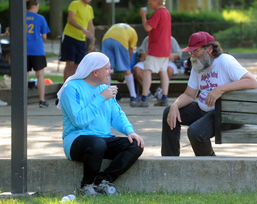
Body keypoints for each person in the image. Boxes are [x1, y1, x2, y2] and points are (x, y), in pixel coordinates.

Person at [56, 52, 144, 196]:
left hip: (102, 140)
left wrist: (130, 131)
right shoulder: (71, 88)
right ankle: (86, 186)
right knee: (97, 143)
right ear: (95, 72)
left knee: (135, 145)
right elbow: (79, 120)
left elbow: (117, 115)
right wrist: (101, 98)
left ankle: (101, 182)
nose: (111, 71)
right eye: (108, 68)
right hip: (76, 140)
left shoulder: (104, 88)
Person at [161, 31, 257, 157]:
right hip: (205, 111)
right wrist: (175, 105)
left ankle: (211, 167)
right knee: (169, 112)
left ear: (209, 49)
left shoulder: (225, 61)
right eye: (190, 52)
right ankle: (170, 162)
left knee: (195, 132)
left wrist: (220, 89)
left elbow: (253, 82)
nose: (192, 56)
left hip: (226, 114)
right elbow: (189, 95)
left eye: (195, 51)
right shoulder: (198, 65)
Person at [132, 0, 171, 107]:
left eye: (150, 0)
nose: (149, 3)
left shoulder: (158, 13)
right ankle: (164, 97)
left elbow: (148, 27)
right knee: (163, 72)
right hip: (165, 49)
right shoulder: (166, 12)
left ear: (156, 0)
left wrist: (143, 16)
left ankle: (144, 98)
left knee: (147, 71)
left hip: (156, 49)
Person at [60, 0, 96, 82]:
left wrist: (92, 42)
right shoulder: (75, 4)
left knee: (77, 66)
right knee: (70, 64)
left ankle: (71, 87)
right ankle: (65, 87)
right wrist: (82, 29)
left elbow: (91, 26)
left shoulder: (90, 9)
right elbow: (71, 19)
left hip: (81, 40)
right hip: (70, 36)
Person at [101, 23, 139, 106]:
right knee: (126, 69)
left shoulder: (116, 26)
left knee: (106, 68)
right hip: (120, 40)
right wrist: (125, 65)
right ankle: (133, 96)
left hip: (106, 39)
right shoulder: (133, 33)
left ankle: (107, 95)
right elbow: (130, 53)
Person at [133, 36, 182, 100]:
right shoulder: (148, 38)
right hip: (150, 60)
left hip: (165, 61)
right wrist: (143, 53)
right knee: (136, 69)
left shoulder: (171, 39)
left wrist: (173, 55)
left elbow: (179, 53)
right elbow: (140, 51)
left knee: (169, 70)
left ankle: (159, 91)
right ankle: (147, 93)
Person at [26, 0, 51, 108]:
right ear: (34, 6)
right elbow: (44, 36)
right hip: (37, 50)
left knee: (24, 75)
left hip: (24, 50)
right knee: (40, 75)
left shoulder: (22, 17)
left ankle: (23, 101)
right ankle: (41, 100)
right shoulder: (40, 18)